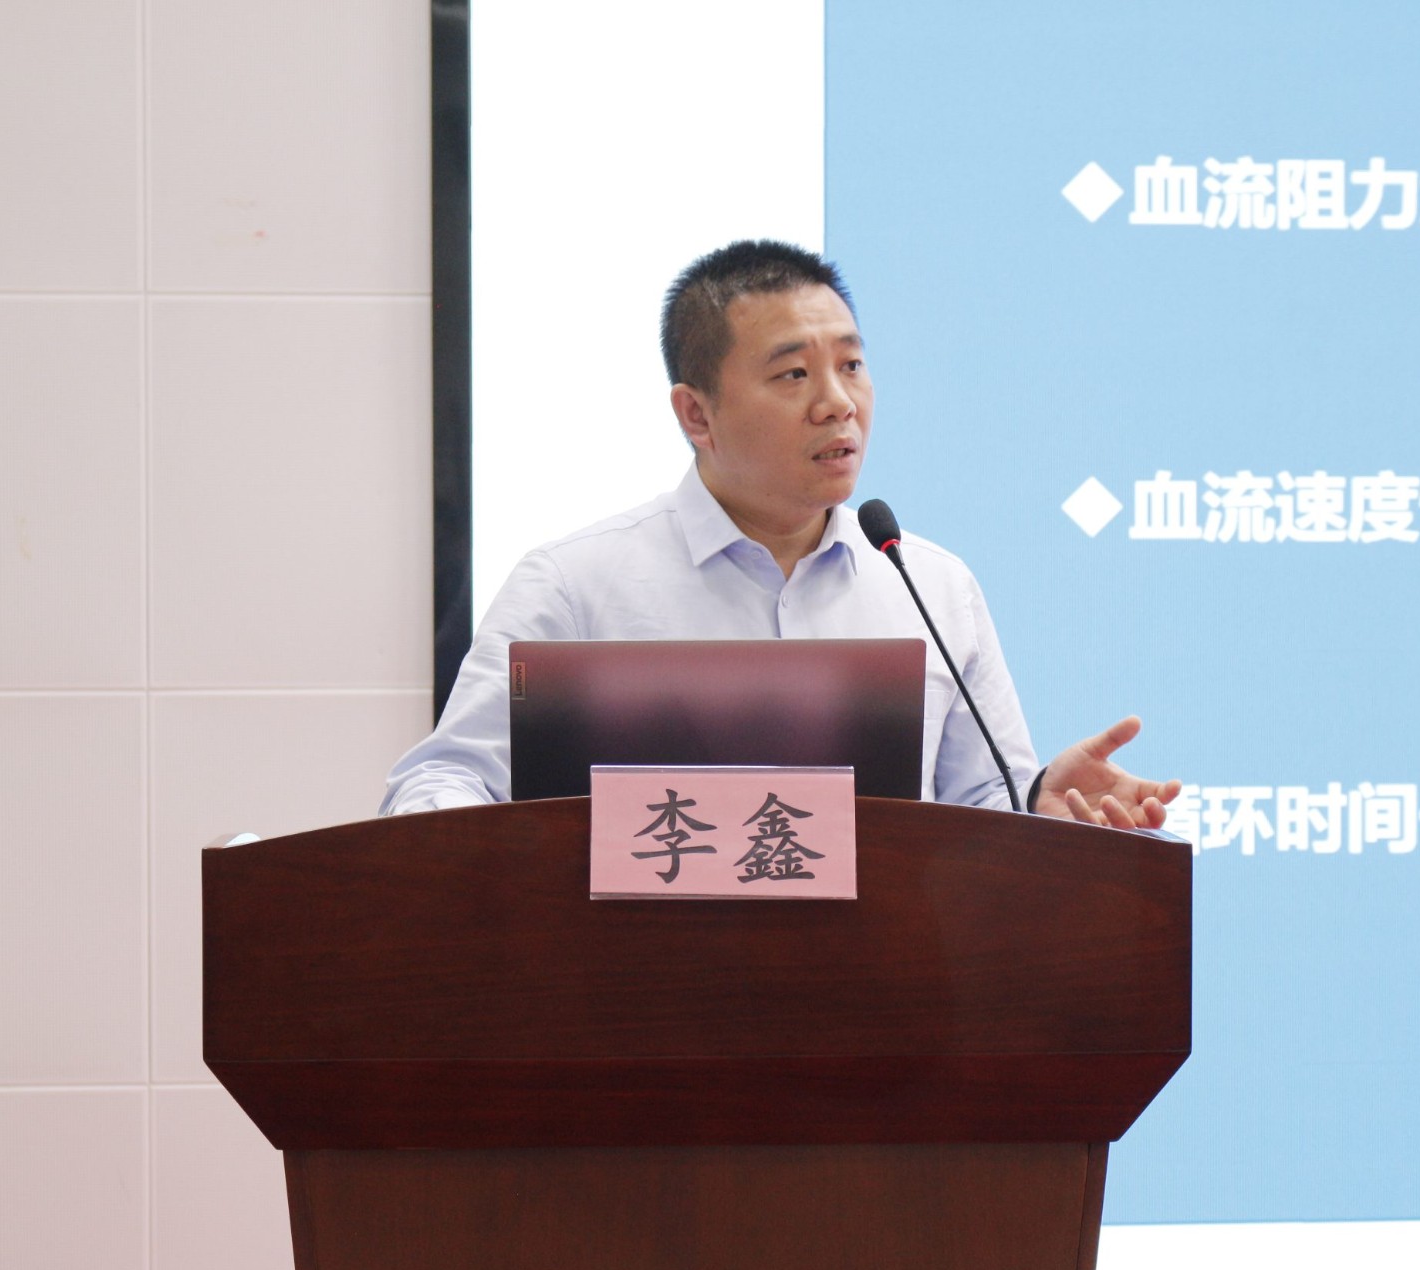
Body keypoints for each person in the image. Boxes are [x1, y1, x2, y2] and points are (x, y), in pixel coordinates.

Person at [381, 240, 1180, 829]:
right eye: (794, 374)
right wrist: (463, 847)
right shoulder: (575, 585)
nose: (839, 403)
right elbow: (446, 778)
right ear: (696, 414)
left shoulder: (933, 588)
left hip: (870, 993)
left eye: (852, 365)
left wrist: (1037, 802)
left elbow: (979, 808)